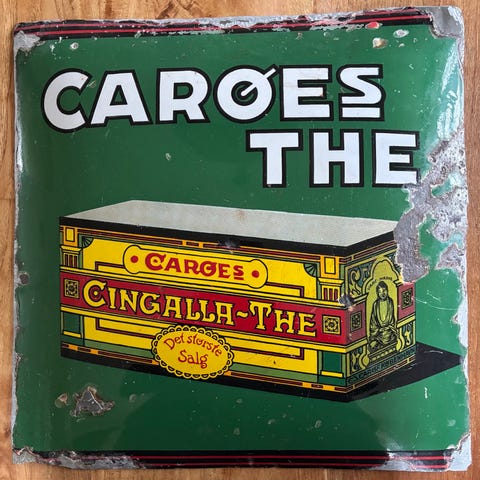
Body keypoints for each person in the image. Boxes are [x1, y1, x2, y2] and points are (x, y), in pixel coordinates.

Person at [368, 281, 397, 352]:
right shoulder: (375, 304)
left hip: (389, 331)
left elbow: (392, 319)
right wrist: (378, 330)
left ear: (387, 290)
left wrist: (389, 327)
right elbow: (373, 321)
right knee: (372, 345)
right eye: (380, 292)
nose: (382, 293)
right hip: (379, 333)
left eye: (384, 291)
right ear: (377, 293)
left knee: (390, 336)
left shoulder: (390, 302)